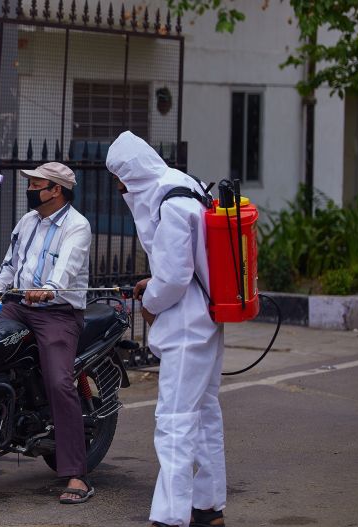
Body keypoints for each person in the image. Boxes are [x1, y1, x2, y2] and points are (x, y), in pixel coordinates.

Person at [106, 131, 226, 527]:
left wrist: (151, 302)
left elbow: (175, 277)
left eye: (119, 178)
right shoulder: (185, 184)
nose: (119, 187)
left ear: (130, 174)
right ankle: (208, 508)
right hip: (206, 319)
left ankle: (171, 517)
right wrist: (153, 284)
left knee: (174, 421)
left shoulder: (169, 203)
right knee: (204, 414)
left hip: (187, 325)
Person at [0, 161, 94, 505]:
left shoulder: (77, 226)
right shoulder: (27, 221)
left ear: (56, 190)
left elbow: (67, 267)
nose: (30, 189)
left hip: (57, 312)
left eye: (35, 184)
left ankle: (76, 474)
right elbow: (10, 265)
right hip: (18, 305)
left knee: (60, 382)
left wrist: (49, 288)